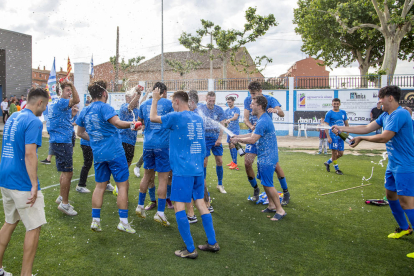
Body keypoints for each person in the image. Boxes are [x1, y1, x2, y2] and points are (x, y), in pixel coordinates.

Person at [332, 85, 414, 259]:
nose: (379, 101)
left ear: (390, 98)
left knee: (407, 202)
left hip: (406, 165)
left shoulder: (400, 114)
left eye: (380, 98)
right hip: (394, 165)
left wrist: (361, 139)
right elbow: (367, 127)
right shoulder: (385, 115)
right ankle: (404, 228)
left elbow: (384, 137)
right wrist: (342, 129)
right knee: (391, 196)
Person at [150, 89, 219, 258]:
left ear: (177, 102)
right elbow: (202, 146)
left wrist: (154, 99)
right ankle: (212, 242)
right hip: (197, 170)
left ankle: (190, 249)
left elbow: (152, 118)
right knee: (201, 204)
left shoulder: (175, 117)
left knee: (179, 207)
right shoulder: (197, 118)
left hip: (182, 171)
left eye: (173, 102)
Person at [77, 80, 141, 233]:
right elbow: (118, 123)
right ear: (104, 93)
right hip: (114, 152)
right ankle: (123, 222)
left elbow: (79, 133)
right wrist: (133, 124)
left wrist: (94, 139)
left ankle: (96, 221)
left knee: (100, 186)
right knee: (122, 186)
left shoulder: (85, 110)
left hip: (98, 153)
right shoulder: (105, 107)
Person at [0, 88, 49, 276]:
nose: (44, 109)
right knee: (34, 227)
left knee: (9, 222)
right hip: (21, 182)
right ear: (39, 103)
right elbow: (29, 154)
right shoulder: (33, 121)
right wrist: (34, 184)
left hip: (5, 177)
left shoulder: (13, 116)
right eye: (44, 105)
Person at [231, 95, 286, 221]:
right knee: (265, 183)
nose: (250, 106)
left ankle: (280, 210)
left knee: (268, 184)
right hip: (264, 156)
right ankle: (271, 206)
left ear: (260, 106)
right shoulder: (262, 119)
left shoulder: (263, 121)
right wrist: (237, 136)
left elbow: (252, 139)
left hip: (267, 157)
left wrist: (237, 139)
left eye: (253, 104)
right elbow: (252, 133)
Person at [243, 81, 291, 206]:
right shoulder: (248, 100)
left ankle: (286, 192)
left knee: (274, 165)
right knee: (247, 163)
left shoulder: (270, 99)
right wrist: (251, 127)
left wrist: (275, 110)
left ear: (260, 91)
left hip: (264, 137)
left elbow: (281, 113)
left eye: (254, 94)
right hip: (253, 134)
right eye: (250, 94)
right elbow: (245, 119)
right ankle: (256, 189)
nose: (252, 98)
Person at [135, 82, 174, 226]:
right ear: (164, 92)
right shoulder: (168, 103)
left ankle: (140, 205)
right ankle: (161, 213)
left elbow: (141, 123)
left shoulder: (144, 104)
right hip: (163, 145)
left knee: (147, 176)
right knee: (163, 179)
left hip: (148, 145)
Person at [48, 80, 80, 216]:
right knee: (68, 173)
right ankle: (64, 204)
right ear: (61, 91)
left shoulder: (58, 103)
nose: (70, 93)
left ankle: (61, 197)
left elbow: (62, 120)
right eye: (67, 90)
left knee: (64, 172)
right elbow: (77, 99)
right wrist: (73, 84)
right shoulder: (61, 102)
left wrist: (72, 115)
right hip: (62, 141)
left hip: (59, 140)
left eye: (70, 90)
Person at [197, 92, 227, 193]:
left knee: (219, 161)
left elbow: (222, 125)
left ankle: (220, 184)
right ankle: (203, 185)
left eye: (213, 101)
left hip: (216, 137)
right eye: (210, 100)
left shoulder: (219, 110)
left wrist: (219, 138)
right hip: (204, 138)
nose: (211, 103)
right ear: (206, 99)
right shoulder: (200, 108)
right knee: (204, 162)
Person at [118, 85, 142, 167]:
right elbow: (130, 107)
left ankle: (121, 178)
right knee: (122, 164)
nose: (136, 99)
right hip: (123, 139)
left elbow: (135, 124)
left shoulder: (136, 110)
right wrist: (138, 94)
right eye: (134, 97)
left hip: (131, 141)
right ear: (127, 98)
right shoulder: (124, 106)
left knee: (128, 163)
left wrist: (138, 127)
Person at [324, 98, 349, 175]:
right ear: (332, 104)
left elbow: (346, 124)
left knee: (341, 153)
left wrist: (347, 133)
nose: (336, 105)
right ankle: (337, 169)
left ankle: (328, 162)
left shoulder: (343, 112)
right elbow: (326, 126)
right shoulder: (329, 113)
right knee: (334, 152)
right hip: (333, 136)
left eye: (337, 103)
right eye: (334, 103)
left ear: (339, 104)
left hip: (341, 135)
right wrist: (328, 136)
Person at [224, 96, 241, 170]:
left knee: (233, 145)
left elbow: (235, 117)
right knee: (230, 146)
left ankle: (235, 163)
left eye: (230, 102)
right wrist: (225, 123)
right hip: (229, 130)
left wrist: (229, 120)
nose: (228, 103)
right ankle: (233, 161)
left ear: (233, 102)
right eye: (227, 102)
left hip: (235, 130)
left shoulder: (236, 109)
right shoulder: (226, 110)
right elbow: (225, 120)